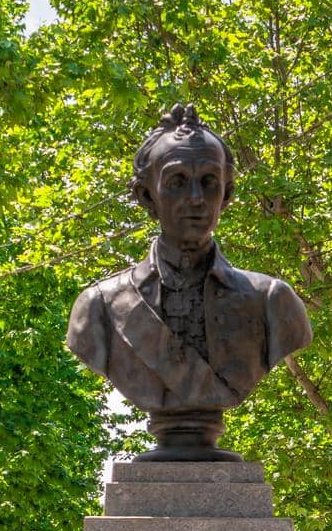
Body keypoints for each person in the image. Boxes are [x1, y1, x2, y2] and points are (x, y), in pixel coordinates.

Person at [66, 104, 312, 461]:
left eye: (208, 183)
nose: (196, 199)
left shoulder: (272, 303)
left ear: (226, 196)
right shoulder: (100, 308)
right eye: (177, 182)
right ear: (147, 196)